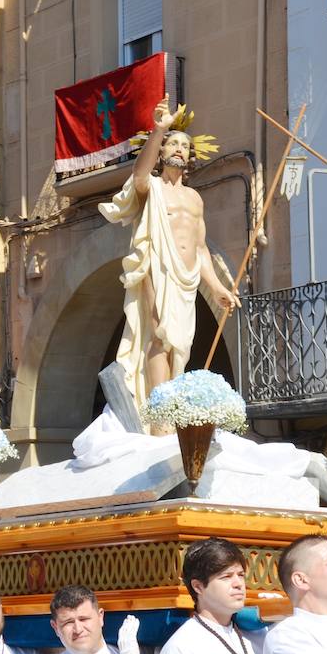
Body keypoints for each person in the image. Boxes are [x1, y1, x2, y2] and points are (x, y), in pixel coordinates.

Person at [100, 101, 239, 419]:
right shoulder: (153, 188)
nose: (179, 149)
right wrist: (160, 127)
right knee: (160, 336)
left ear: (190, 157)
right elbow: (138, 176)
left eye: (185, 145)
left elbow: (201, 247)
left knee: (181, 348)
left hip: (186, 278)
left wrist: (216, 286)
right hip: (157, 268)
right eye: (173, 143)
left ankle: (172, 413)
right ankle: (160, 416)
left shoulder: (194, 198)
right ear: (161, 152)